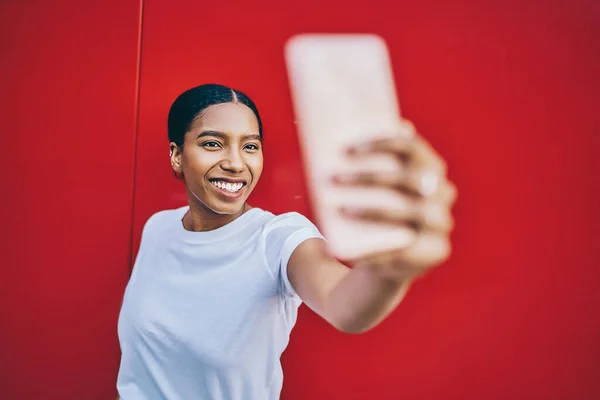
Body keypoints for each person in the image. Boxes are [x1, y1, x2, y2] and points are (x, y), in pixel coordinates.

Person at [116, 83, 457, 399]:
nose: (236, 163)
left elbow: (345, 304)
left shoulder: (278, 239)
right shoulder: (158, 228)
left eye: (250, 146)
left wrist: (388, 269)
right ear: (177, 155)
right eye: (212, 143)